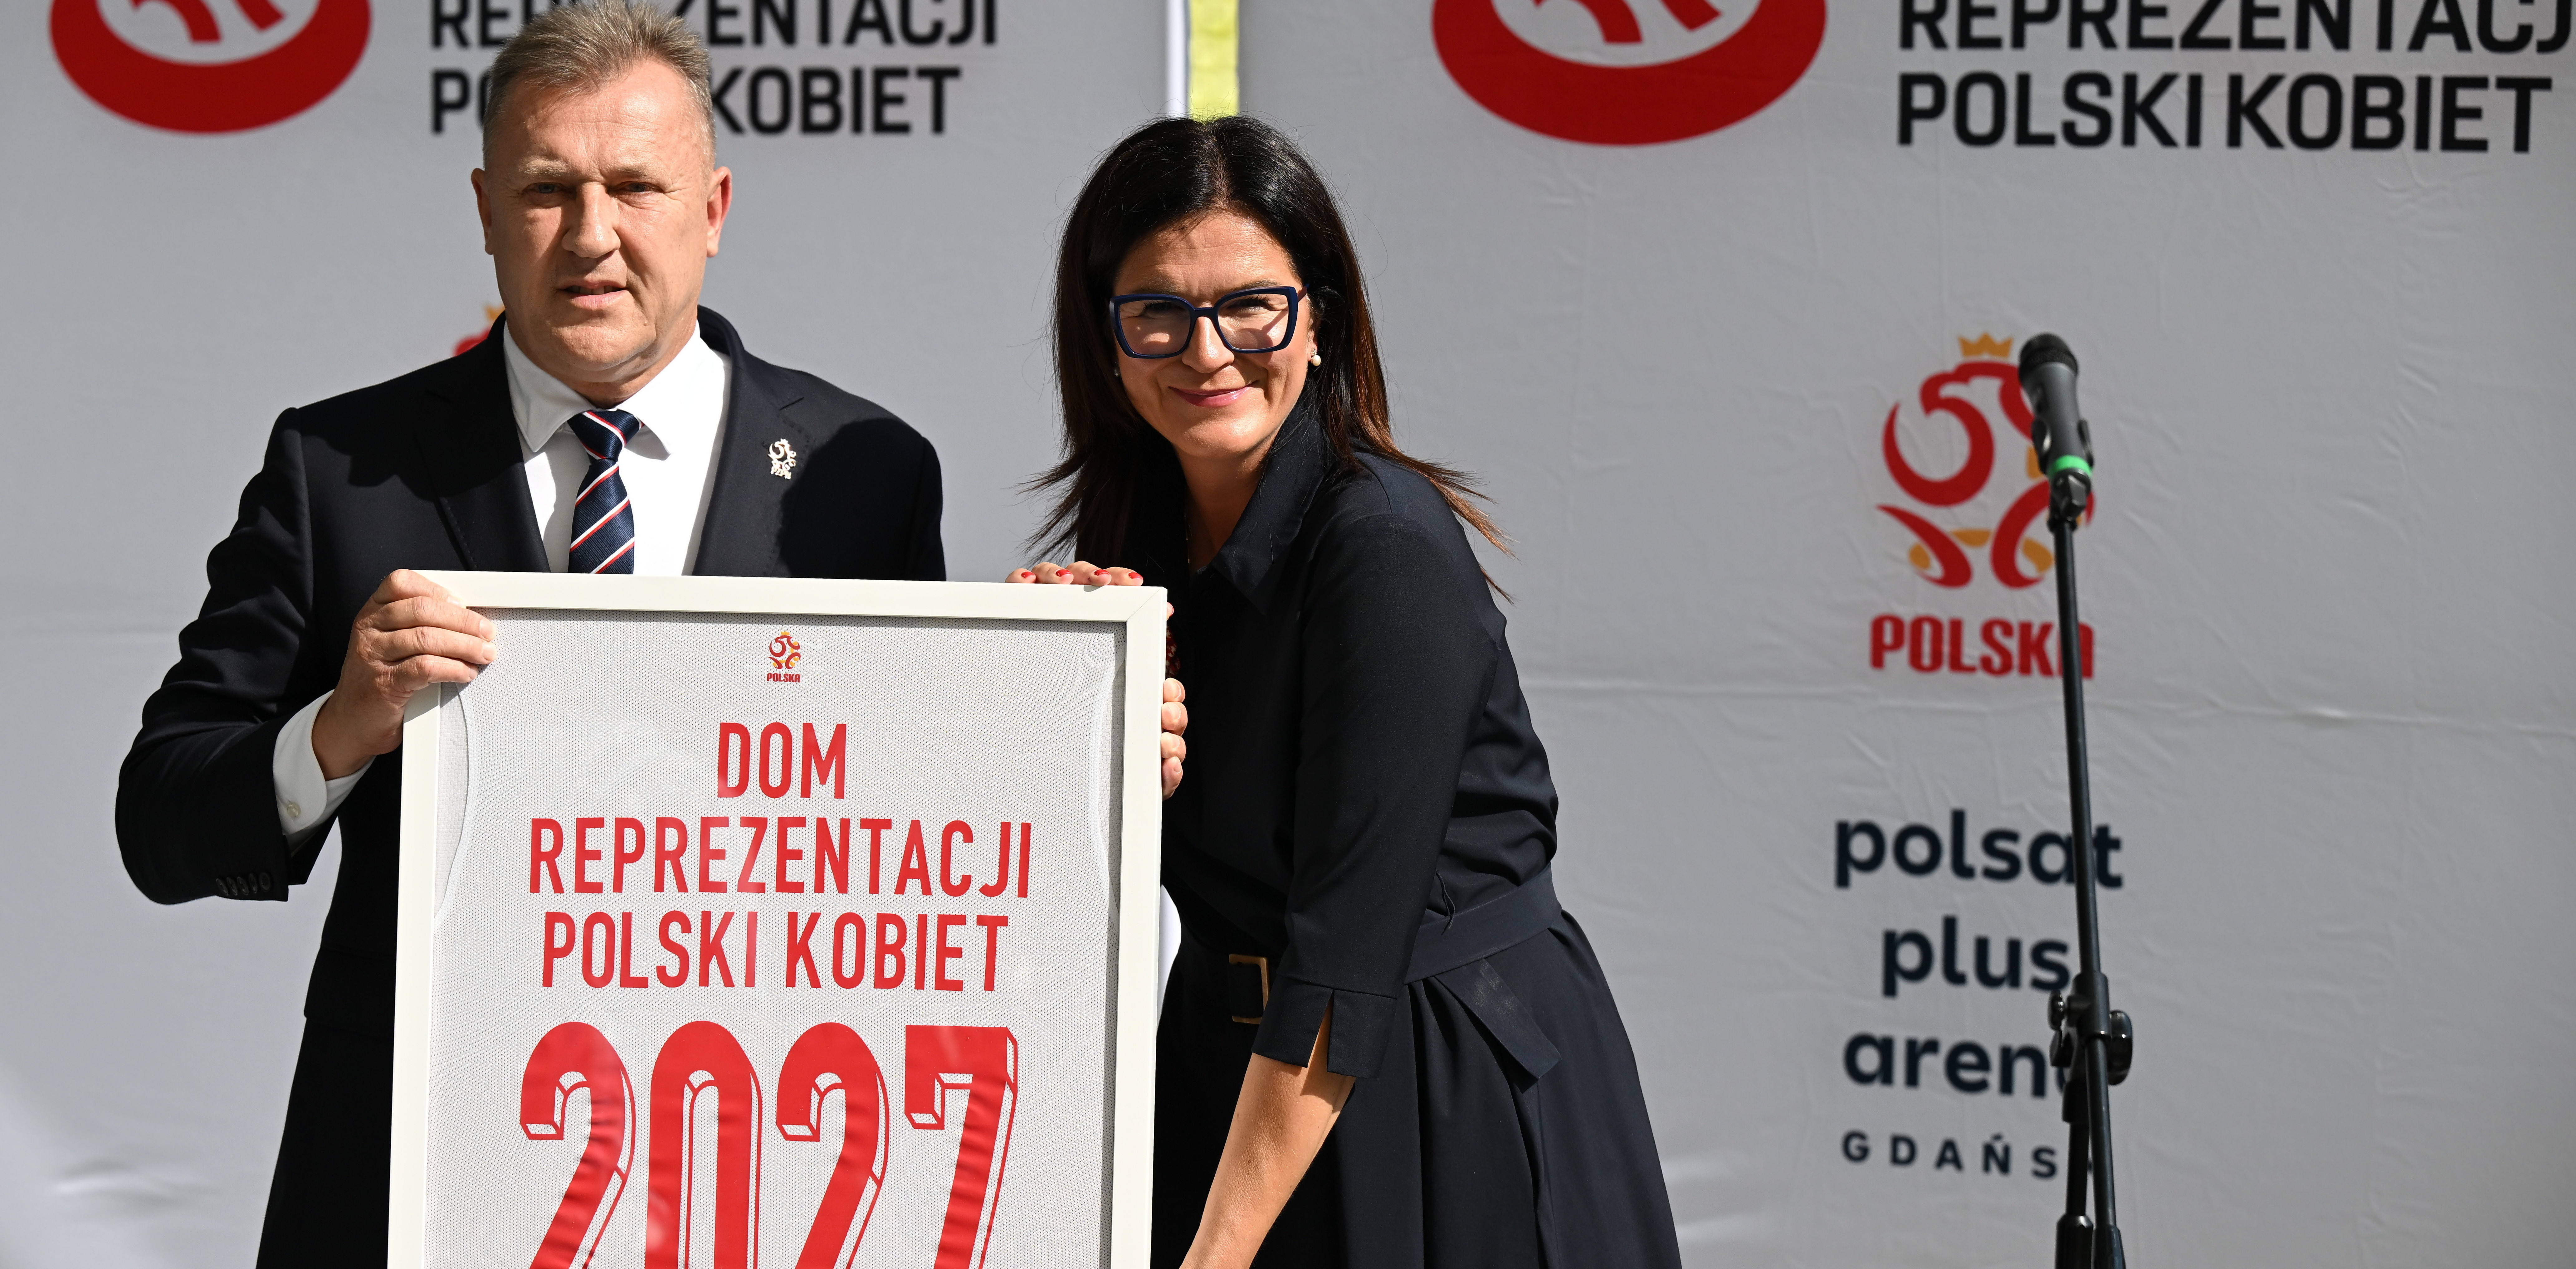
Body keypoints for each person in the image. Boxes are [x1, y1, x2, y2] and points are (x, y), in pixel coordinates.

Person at [109, 4, 1120, 1263]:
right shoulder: (341, 473)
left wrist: (1057, 708)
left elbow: (914, 835)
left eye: (636, 186)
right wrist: (337, 728)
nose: (592, 236)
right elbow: (159, 821)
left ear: (714, 207)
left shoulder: (868, 478)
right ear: (485, 209)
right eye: (547, 190)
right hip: (415, 1175)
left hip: (753, 1170)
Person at [1022, 117, 1684, 1268]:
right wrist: (1047, 707)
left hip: (1427, 1079)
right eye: (1159, 312)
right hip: (1235, 1067)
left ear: (1316, 319)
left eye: (1251, 305)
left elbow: (1344, 958)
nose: (1208, 349)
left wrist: (1209, 1256)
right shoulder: (1135, 540)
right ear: (1109, 340)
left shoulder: (1382, 546)